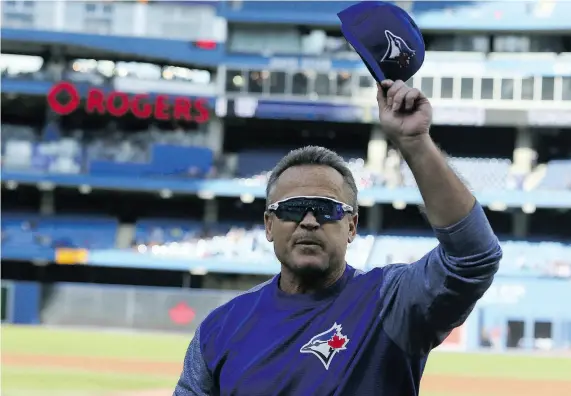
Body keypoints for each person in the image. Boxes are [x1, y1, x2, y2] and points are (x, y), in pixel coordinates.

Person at [174, 80, 502, 395]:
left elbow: (473, 258)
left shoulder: (389, 303)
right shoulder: (220, 329)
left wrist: (415, 144)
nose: (309, 221)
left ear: (352, 226)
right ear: (269, 224)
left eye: (327, 209)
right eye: (292, 208)